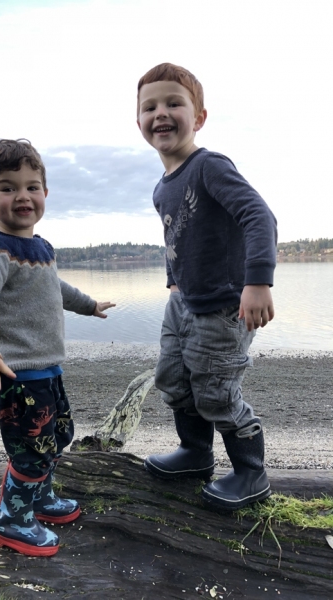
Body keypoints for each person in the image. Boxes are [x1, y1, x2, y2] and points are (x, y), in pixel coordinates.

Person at [0, 138, 115, 555]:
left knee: (57, 438)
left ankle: (39, 499)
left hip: (48, 370)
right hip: (18, 375)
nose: (22, 196)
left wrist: (88, 305)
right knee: (30, 452)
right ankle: (10, 520)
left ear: (44, 193)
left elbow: (53, 288)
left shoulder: (41, 249)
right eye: (7, 187)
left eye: (32, 186)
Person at [136, 63, 277, 511]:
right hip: (183, 304)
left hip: (224, 306)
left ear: (198, 117)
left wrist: (257, 283)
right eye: (150, 106)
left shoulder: (209, 166)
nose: (162, 113)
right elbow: (177, 239)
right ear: (138, 121)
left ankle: (251, 474)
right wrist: (173, 283)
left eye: (174, 103)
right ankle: (196, 455)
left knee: (216, 390)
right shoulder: (162, 187)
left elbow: (260, 218)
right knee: (174, 380)